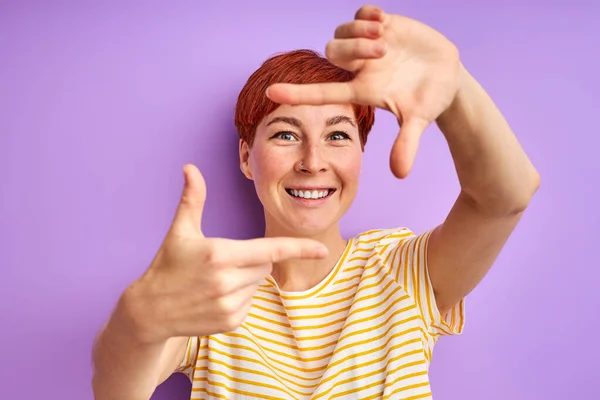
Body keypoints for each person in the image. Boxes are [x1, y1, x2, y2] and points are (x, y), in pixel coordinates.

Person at [91, 5, 539, 400]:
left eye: (338, 135)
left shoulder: (402, 270)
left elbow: (506, 197)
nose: (312, 161)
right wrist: (137, 321)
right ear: (247, 157)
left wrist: (456, 87)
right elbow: (116, 392)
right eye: (286, 134)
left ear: (361, 153)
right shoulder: (212, 292)